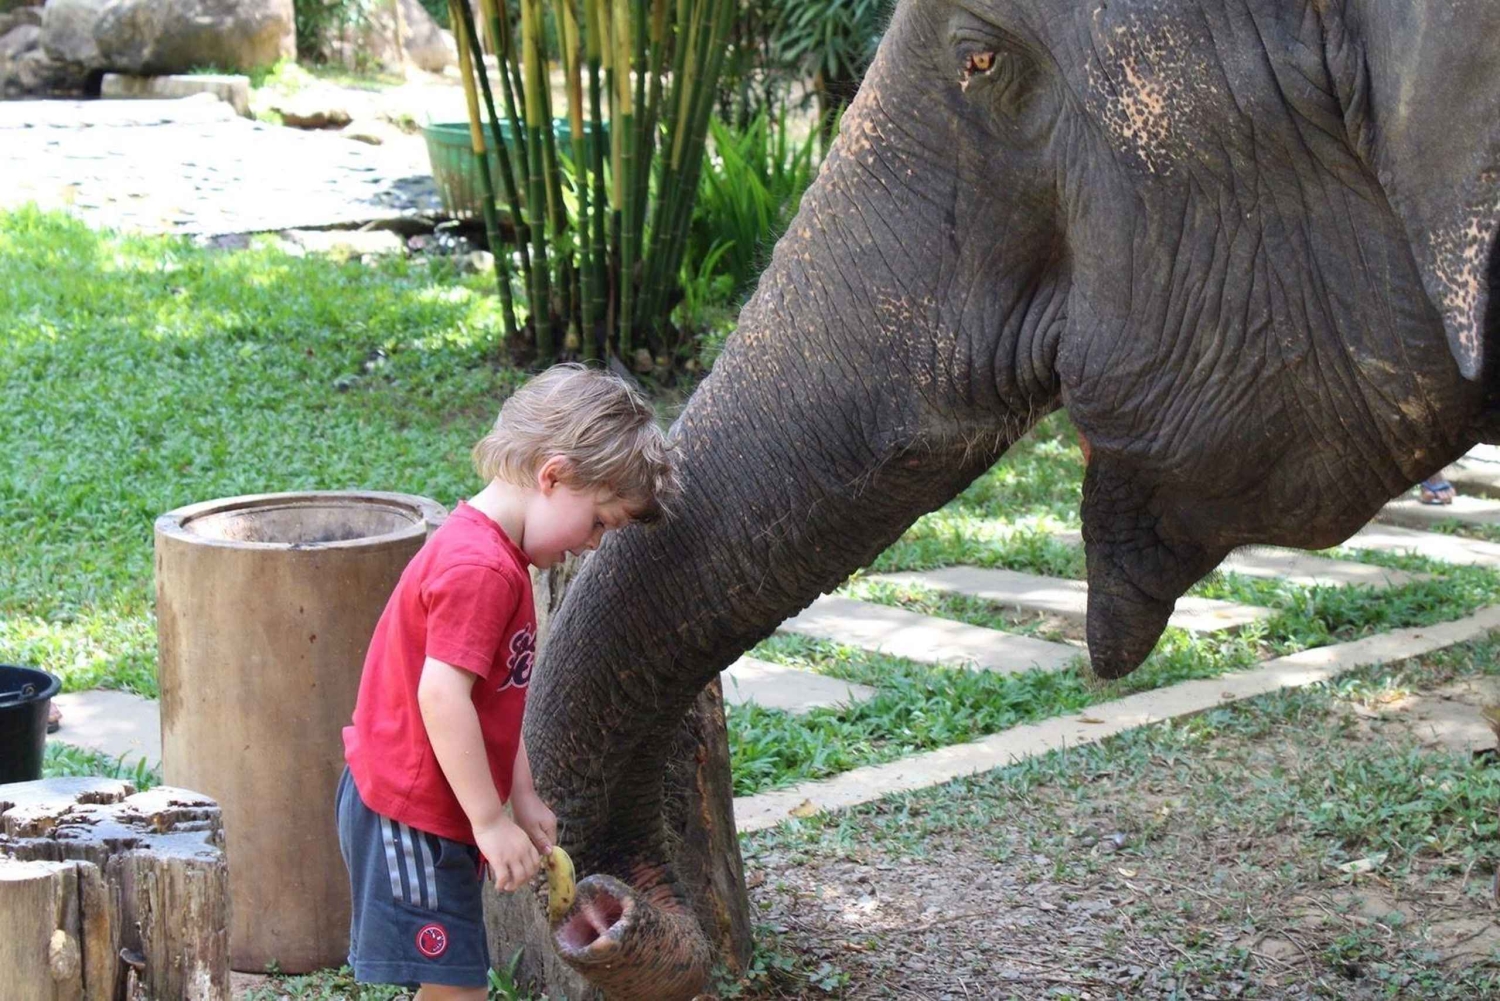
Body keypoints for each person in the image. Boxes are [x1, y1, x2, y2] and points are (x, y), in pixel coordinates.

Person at [336, 363, 678, 998]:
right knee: (457, 988)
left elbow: (497, 699)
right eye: (600, 521)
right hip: (407, 813)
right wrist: (490, 822)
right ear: (553, 476)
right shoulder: (482, 569)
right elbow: (441, 697)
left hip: (438, 807)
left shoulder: (503, 559)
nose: (596, 545)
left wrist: (521, 796)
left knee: (452, 986)